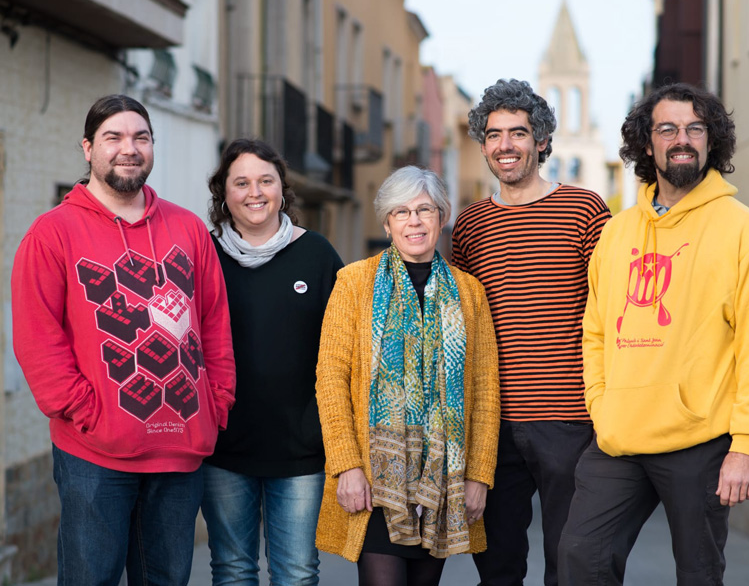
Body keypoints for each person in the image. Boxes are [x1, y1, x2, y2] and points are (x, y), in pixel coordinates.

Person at [558, 83, 749, 585]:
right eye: (667, 129)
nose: (681, 139)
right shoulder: (617, 233)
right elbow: (594, 330)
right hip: (620, 437)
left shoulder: (744, 231)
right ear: (647, 143)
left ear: (711, 142)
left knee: (698, 575)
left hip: (700, 441)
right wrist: (602, 404)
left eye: (694, 129)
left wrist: (745, 445)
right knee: (579, 559)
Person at [11, 94, 236, 585]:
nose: (128, 149)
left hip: (180, 449)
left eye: (141, 137)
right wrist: (85, 412)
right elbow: (37, 338)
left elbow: (214, 322)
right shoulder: (52, 234)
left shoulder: (188, 229)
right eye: (113, 137)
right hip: (95, 455)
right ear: (88, 148)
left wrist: (214, 403)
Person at [451, 78, 610, 585]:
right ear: (483, 146)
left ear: (541, 140)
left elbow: (610, 311)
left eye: (517, 133)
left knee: (574, 565)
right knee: (497, 568)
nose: (505, 145)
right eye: (494, 135)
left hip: (571, 418)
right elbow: (462, 324)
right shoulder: (470, 224)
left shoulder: (585, 209)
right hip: (492, 424)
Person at [315, 165, 501, 586]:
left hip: (442, 480)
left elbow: (487, 389)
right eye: (401, 212)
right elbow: (330, 378)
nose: (414, 221)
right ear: (387, 222)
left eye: (424, 210)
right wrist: (346, 465)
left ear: (442, 216)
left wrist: (479, 476)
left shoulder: (470, 292)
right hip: (377, 480)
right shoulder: (354, 283)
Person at [200, 139, 343, 585]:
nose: (254, 192)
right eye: (241, 182)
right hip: (224, 446)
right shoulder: (204, 256)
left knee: (297, 574)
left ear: (283, 189)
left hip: (300, 449)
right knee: (232, 570)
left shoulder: (317, 255)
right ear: (224, 192)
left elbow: (343, 350)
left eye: (266, 180)